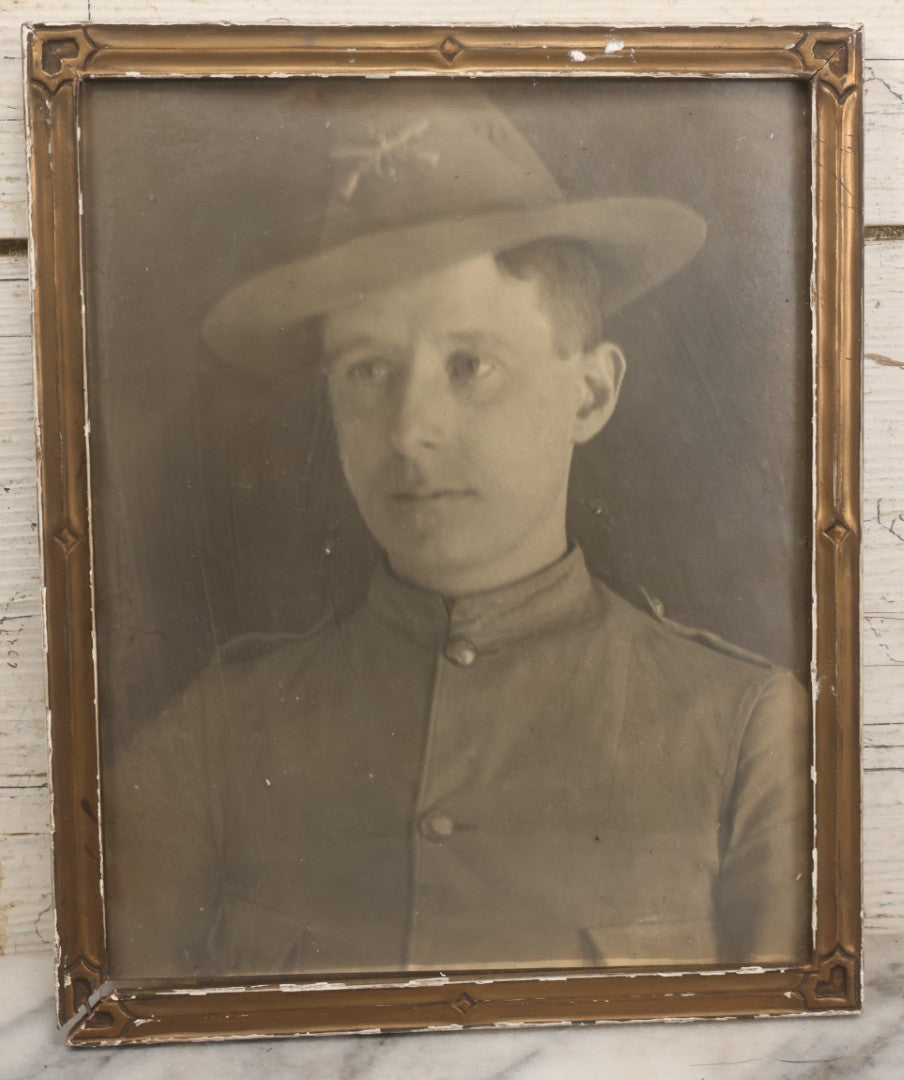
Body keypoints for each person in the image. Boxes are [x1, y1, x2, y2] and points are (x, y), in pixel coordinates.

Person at [104, 84, 810, 980]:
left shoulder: (749, 738)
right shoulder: (211, 740)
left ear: (590, 393)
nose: (408, 431)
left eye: (470, 365)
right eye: (367, 371)